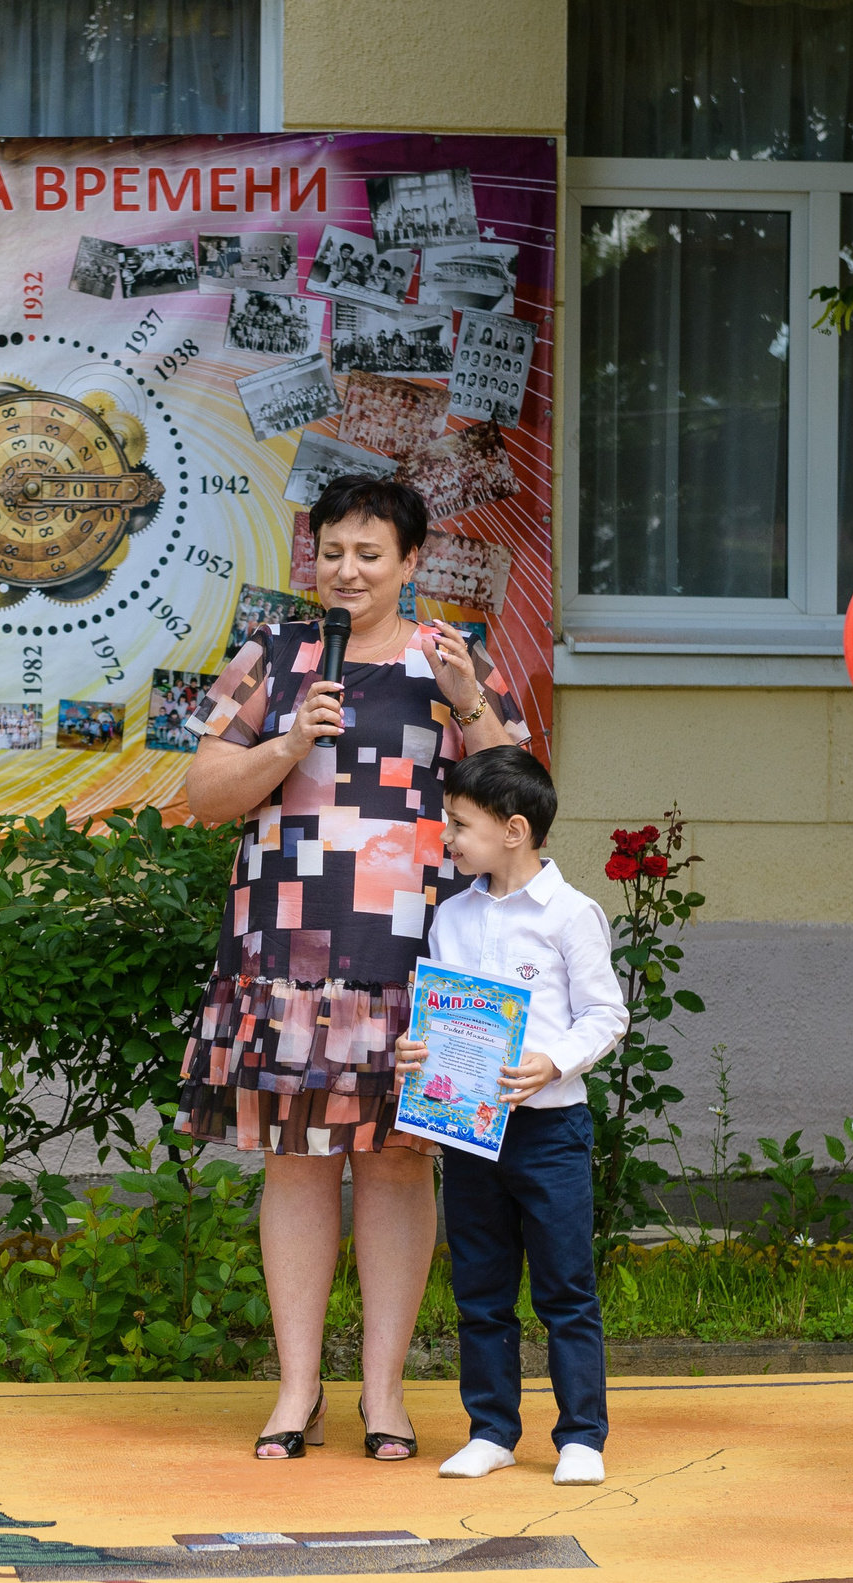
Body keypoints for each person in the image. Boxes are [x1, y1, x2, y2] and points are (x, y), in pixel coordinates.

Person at [177, 476, 522, 1462]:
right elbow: (203, 791)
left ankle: (384, 1395)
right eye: (333, 551)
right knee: (296, 1160)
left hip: (421, 946)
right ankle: (295, 1393)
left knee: (399, 1161)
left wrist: (471, 708)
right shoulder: (275, 656)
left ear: (411, 563)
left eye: (371, 554)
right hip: (289, 945)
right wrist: (288, 738)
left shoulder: (449, 660)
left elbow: (519, 803)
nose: (349, 570)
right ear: (311, 558)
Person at [395, 745, 628, 1485]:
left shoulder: (571, 915)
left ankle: (581, 1435)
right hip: (470, 1134)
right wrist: (416, 1050)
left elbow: (606, 1014)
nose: (448, 838)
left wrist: (553, 1062)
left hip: (550, 1132)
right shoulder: (454, 918)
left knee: (565, 1286)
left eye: (460, 825)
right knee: (480, 1287)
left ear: (515, 829)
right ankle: (492, 1427)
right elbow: (439, 1013)